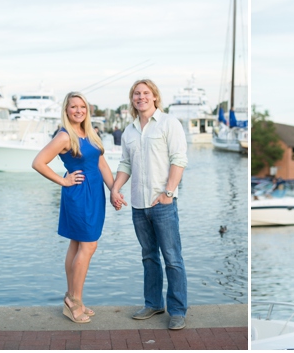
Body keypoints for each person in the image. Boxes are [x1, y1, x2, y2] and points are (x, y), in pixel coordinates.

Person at [110, 79, 189, 330]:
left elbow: (179, 159)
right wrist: (115, 188)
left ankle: (177, 310)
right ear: (132, 99)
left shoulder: (169, 123)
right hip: (138, 205)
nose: (140, 97)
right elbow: (125, 164)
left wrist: (168, 192)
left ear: (155, 97)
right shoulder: (129, 131)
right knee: (148, 257)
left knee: (172, 258)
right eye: (136, 93)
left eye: (145, 93)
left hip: (162, 203)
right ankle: (153, 303)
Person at [32, 92, 115, 324]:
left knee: (77, 244)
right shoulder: (64, 136)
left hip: (94, 194)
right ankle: (74, 302)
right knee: (88, 245)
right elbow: (38, 162)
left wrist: (113, 190)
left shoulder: (90, 132)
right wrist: (63, 180)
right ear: (66, 110)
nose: (78, 111)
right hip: (78, 194)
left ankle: (73, 298)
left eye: (82, 107)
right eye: (73, 107)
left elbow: (101, 162)